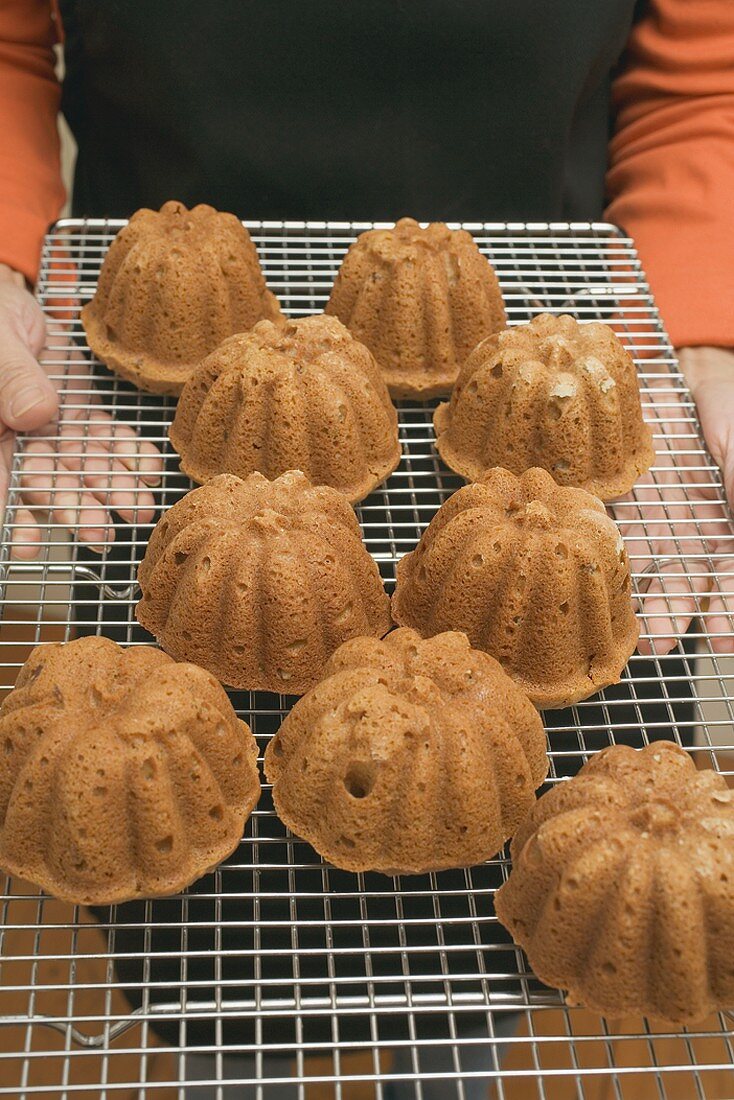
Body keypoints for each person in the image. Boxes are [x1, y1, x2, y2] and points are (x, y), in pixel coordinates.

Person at [0, 2, 732, 1097]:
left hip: (555, 389)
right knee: (206, 961)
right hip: (170, 419)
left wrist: (697, 328)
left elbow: (698, 82)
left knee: (503, 954)